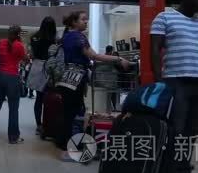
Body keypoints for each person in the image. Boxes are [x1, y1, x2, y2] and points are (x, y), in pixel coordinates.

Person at [151, 0, 198, 173]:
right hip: (175, 81)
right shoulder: (164, 17)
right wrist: (159, 80)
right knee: (175, 131)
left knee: (191, 132)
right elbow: (154, 49)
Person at [57, 11, 129, 160]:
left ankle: (68, 147)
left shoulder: (66, 37)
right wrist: (118, 58)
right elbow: (94, 56)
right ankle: (71, 150)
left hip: (66, 78)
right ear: (74, 22)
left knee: (69, 113)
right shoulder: (78, 37)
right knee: (77, 113)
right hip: (76, 78)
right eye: (83, 20)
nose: (86, 22)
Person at [0, 25, 27, 144]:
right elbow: (26, 58)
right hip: (12, 78)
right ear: (18, 34)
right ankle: (13, 137)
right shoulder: (19, 45)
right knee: (13, 108)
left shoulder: (1, 43)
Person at [27, 17, 57, 135]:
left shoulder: (35, 37)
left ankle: (38, 124)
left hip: (37, 66)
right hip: (51, 67)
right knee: (50, 97)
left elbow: (33, 54)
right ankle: (49, 123)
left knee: (39, 98)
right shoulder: (55, 40)